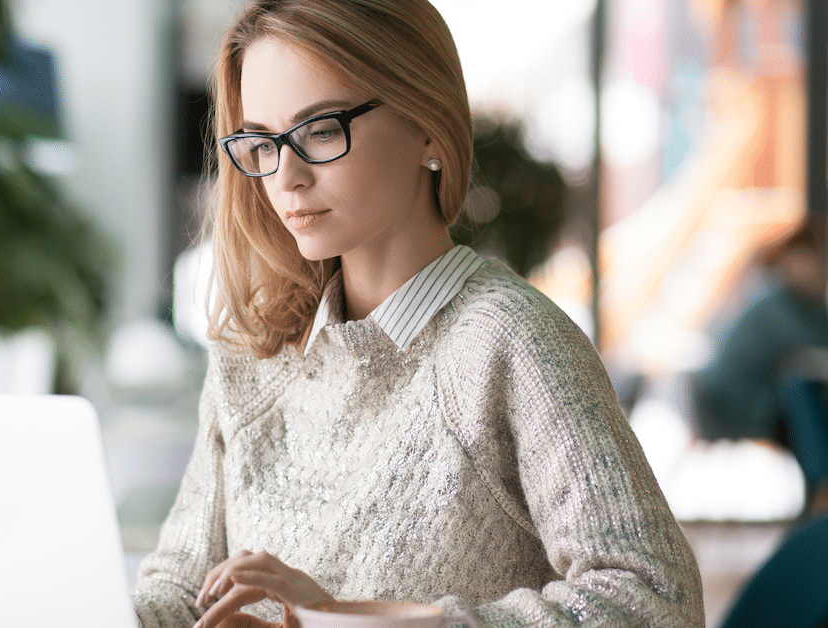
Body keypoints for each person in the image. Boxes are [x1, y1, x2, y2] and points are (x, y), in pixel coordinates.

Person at [131, 1, 704, 626]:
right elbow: (181, 585)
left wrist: (342, 617)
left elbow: (654, 599)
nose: (285, 176)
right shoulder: (253, 354)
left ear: (426, 125)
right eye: (261, 142)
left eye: (320, 130)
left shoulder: (511, 344)